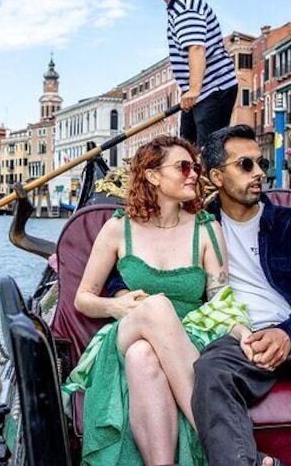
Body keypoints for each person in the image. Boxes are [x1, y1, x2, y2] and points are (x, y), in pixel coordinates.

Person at [114, 125, 291, 466]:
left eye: (260, 164)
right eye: (246, 165)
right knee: (208, 372)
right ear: (217, 176)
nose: (259, 173)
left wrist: (286, 334)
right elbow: (133, 265)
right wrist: (122, 294)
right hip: (236, 342)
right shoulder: (196, 227)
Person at [63, 135, 251, 465]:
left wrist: (245, 335)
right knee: (156, 308)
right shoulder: (118, 228)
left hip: (186, 337)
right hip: (126, 329)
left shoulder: (206, 229)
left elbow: (220, 301)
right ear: (152, 175)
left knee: (142, 356)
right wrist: (114, 306)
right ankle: (227, 451)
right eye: (183, 167)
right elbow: (83, 298)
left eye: (195, 167)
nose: (194, 174)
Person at [145, 0, 238, 146]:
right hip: (200, 94)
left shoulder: (184, 8)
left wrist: (193, 90)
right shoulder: (181, 4)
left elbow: (196, 48)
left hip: (213, 90)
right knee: (186, 149)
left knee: (206, 153)